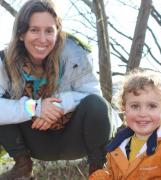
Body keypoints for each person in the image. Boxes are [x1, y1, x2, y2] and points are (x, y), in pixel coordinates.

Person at [0, 0, 121, 179]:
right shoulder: (4, 61)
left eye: (49, 30)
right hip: (34, 141)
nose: (43, 39)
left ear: (58, 31)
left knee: (97, 105)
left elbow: (95, 97)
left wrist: (59, 105)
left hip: (75, 137)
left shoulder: (76, 54)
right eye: (34, 30)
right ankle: (22, 166)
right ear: (21, 33)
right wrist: (36, 108)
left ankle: (98, 170)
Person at [89, 69, 161, 180]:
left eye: (152, 106)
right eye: (135, 106)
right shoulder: (118, 145)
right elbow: (111, 175)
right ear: (124, 109)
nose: (142, 113)